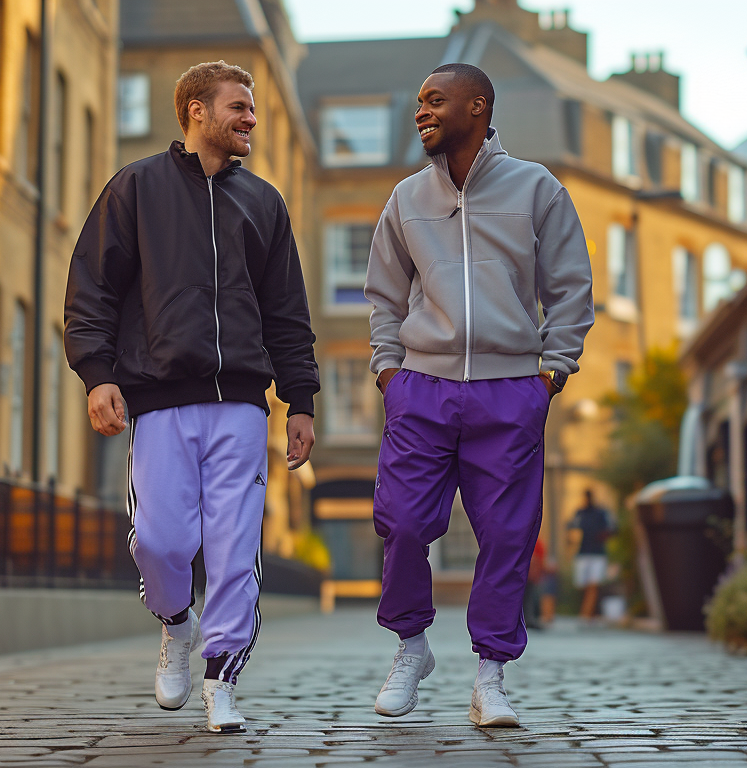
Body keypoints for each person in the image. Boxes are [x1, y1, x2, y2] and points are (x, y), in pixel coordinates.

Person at [64, 61, 319, 733]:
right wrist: (98, 375)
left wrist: (301, 401)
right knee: (159, 540)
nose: (251, 119)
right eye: (238, 107)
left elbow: (287, 313)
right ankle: (176, 624)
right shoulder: (136, 188)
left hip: (240, 404)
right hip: (158, 400)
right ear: (195, 111)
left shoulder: (264, 203)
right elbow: (91, 289)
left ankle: (222, 681)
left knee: (236, 549)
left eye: (253, 108)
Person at [364, 63, 594, 728]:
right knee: (403, 522)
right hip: (422, 390)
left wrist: (551, 373)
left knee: (508, 536)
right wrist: (390, 374)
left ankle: (491, 676)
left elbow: (570, 289)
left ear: (478, 106)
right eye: (418, 101)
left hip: (510, 391)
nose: (422, 111)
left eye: (435, 100)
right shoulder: (406, 198)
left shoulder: (536, 189)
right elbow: (382, 295)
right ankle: (411, 647)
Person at [567, 489, 616, 621]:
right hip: (582, 552)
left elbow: (613, 528)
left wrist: (603, 536)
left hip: (597, 552)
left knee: (594, 583)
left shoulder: (601, 513)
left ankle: (586, 613)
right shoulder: (580, 513)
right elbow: (570, 527)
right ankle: (589, 611)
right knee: (582, 584)